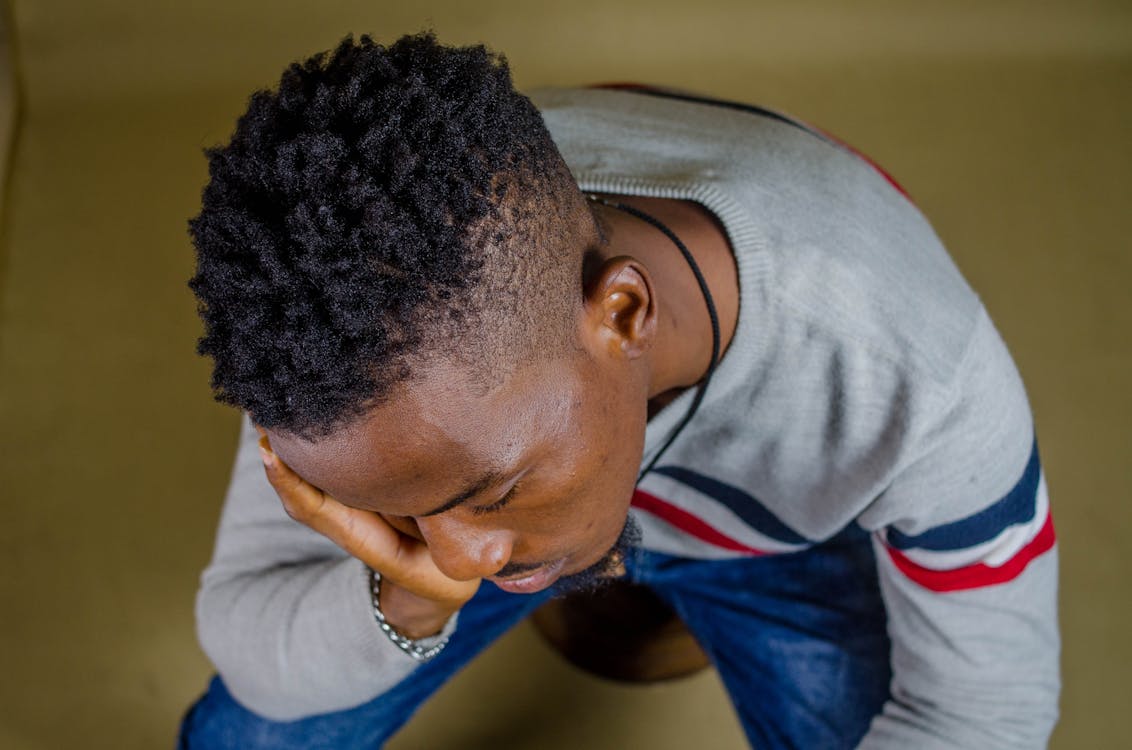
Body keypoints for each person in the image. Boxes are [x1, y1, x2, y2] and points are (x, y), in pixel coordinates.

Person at [178, 32, 1060, 749]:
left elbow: (982, 716)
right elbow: (244, 632)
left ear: (624, 308)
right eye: (407, 514)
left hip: (784, 533)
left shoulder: (918, 373)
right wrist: (409, 596)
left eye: (496, 492)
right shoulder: (348, 308)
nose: (460, 557)